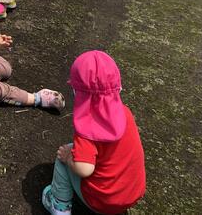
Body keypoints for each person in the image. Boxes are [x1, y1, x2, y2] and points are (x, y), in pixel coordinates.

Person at [42, 50, 146, 215]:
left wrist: (68, 158)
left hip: (103, 202)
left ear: (77, 92)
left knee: (64, 155)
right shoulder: (125, 112)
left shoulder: (86, 129)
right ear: (118, 87)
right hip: (131, 194)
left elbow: (84, 170)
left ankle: (58, 206)